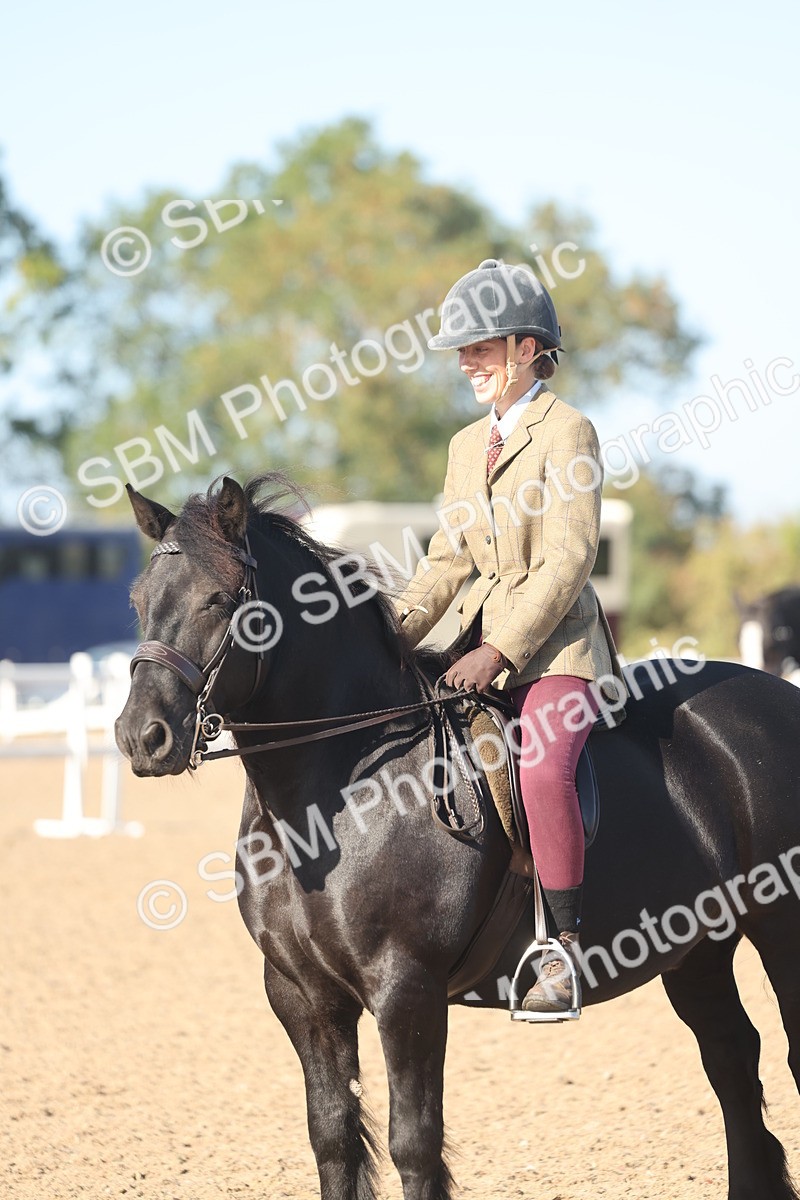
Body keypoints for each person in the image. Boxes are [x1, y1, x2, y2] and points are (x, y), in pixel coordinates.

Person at [394, 259, 623, 1015]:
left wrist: (503, 651)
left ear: (527, 347)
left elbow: (568, 558)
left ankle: (561, 951)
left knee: (541, 768)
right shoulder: (466, 446)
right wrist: (390, 634)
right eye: (461, 351)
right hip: (476, 642)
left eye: (480, 347)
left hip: (555, 649)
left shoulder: (569, 432)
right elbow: (449, 557)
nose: (466, 363)